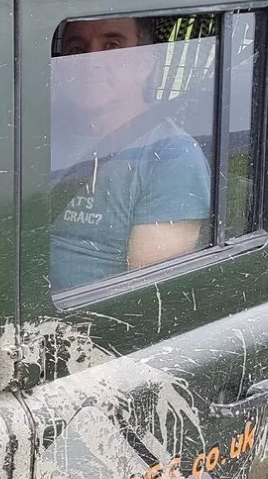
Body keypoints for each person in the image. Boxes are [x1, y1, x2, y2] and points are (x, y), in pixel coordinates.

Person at [48, 17, 211, 294]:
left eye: (112, 46)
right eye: (77, 49)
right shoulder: (36, 134)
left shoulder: (173, 157)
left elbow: (142, 298)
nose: (92, 61)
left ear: (145, 63)